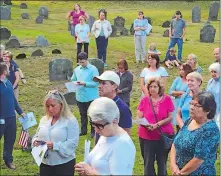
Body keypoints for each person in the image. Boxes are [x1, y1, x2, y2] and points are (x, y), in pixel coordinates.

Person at [75, 97, 136, 175]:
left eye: (99, 126)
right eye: (93, 125)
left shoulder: (122, 145)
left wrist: (89, 172)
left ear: (114, 121)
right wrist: (84, 168)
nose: (96, 130)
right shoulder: (106, 135)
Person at [170, 92, 220, 176]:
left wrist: (180, 173)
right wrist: (173, 165)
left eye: (196, 105)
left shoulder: (210, 130)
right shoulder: (189, 121)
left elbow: (198, 159)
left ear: (207, 110)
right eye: (191, 103)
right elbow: (175, 143)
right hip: (179, 171)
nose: (191, 107)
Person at [32, 90, 79, 176]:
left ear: (61, 105)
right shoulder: (44, 119)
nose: (50, 109)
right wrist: (35, 141)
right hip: (45, 163)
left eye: (53, 106)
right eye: (47, 106)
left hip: (64, 165)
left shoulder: (70, 121)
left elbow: (72, 144)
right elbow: (37, 135)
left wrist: (55, 145)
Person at [137, 77, 174, 175]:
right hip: (146, 136)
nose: (152, 89)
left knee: (162, 163)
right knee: (148, 163)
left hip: (163, 136)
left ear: (159, 88)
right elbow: (139, 116)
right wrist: (146, 125)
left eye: (155, 86)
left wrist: (157, 125)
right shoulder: (144, 100)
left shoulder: (167, 99)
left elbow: (170, 117)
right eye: (150, 87)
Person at [93, 71, 132, 143]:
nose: (99, 86)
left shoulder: (122, 108)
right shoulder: (99, 104)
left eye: (103, 83)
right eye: (99, 83)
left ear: (114, 86)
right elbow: (97, 131)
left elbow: (126, 135)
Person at [0, 62, 25, 170]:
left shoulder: (9, 83)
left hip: (11, 118)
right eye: (7, 69)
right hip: (1, 119)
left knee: (10, 140)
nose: (9, 70)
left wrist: (20, 112)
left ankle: (8, 160)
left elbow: (13, 100)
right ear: (4, 72)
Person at [71, 52, 99, 137]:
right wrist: (75, 83)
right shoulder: (77, 69)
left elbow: (96, 83)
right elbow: (73, 79)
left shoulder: (93, 69)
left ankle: (93, 131)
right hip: (80, 96)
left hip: (91, 96)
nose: (81, 64)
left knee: (92, 115)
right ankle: (83, 130)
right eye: (80, 62)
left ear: (87, 60)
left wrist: (85, 83)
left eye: (83, 62)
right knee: (82, 114)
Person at [206, 62, 220, 128]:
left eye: (215, 72)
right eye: (211, 72)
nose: (213, 74)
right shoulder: (210, 81)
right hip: (210, 108)